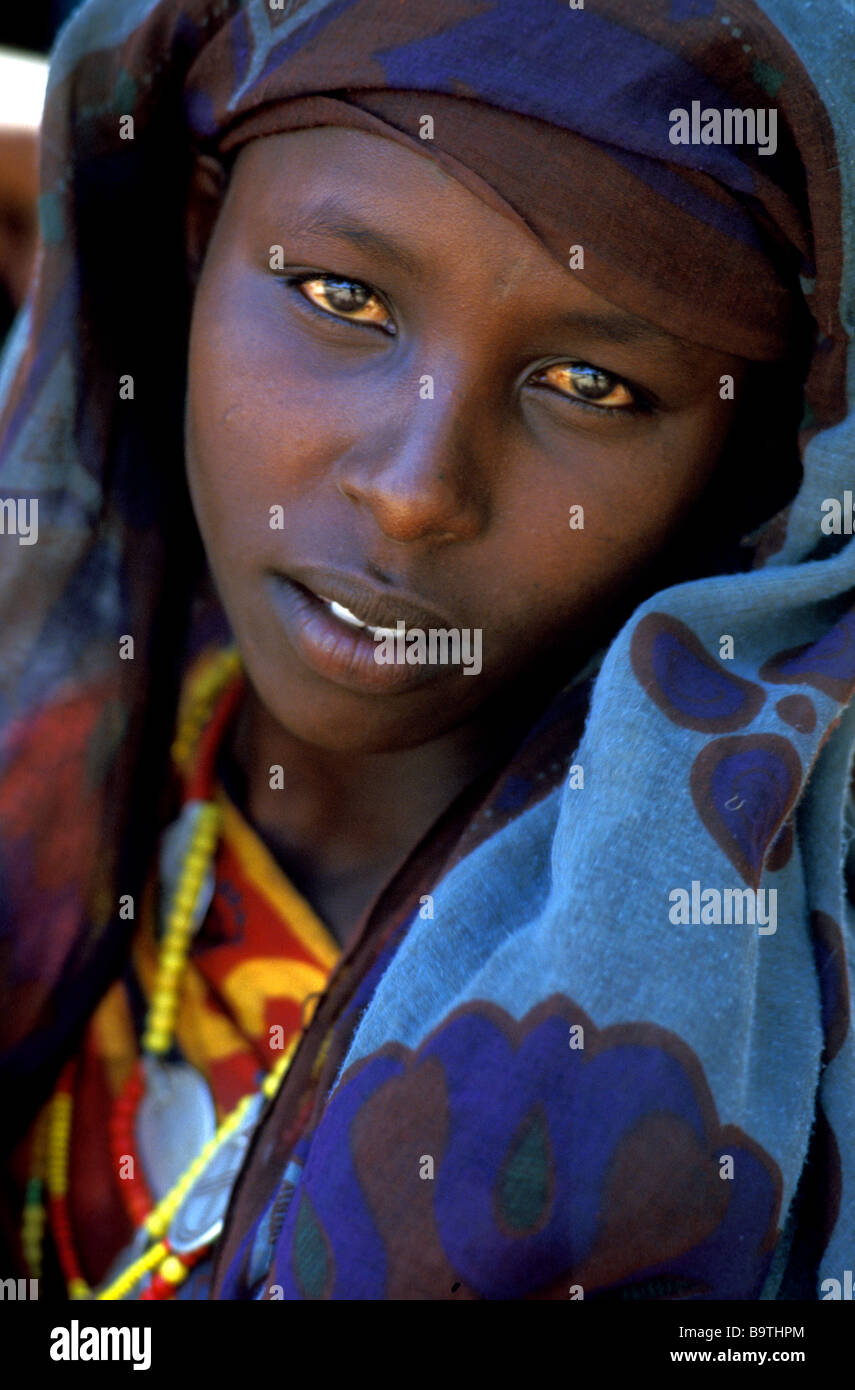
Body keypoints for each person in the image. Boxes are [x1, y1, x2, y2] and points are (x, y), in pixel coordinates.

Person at [0, 0, 852, 1301]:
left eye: (590, 387)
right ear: (196, 239)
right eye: (341, 297)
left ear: (752, 470)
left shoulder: (743, 1043)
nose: (414, 488)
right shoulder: (44, 755)